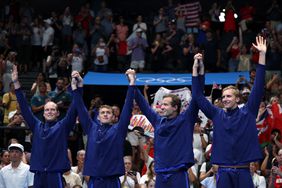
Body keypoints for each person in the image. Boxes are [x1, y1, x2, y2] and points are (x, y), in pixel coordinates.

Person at [192, 35, 267, 188]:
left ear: (238, 99)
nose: (224, 99)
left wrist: (262, 55)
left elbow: (258, 87)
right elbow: (198, 96)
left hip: (244, 172)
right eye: (223, 96)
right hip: (223, 173)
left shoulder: (248, 112)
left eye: (228, 96)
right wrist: (196, 70)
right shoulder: (216, 114)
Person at [130, 69, 203, 187]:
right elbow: (143, 105)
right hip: (160, 174)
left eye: (165, 104)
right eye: (161, 104)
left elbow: (197, 96)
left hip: (178, 174)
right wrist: (133, 83)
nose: (161, 107)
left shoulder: (186, 120)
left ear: (175, 107)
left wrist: (197, 72)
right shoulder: (158, 121)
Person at [11, 65, 78, 188]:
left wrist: (76, 89)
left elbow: (74, 109)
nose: (50, 112)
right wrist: (16, 83)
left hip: (55, 174)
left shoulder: (62, 126)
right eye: (47, 110)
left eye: (53, 109)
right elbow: (25, 109)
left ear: (58, 113)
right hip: (39, 174)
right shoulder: (37, 125)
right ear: (43, 112)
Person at [70, 69, 135, 187]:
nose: (105, 114)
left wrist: (131, 84)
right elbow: (80, 108)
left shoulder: (118, 129)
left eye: (108, 113)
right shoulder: (91, 128)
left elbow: (127, 107)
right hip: (95, 180)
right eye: (103, 112)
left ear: (113, 116)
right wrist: (76, 87)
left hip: (112, 180)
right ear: (98, 117)